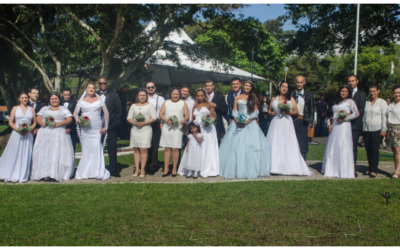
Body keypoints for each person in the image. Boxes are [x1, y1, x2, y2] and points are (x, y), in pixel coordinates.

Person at [220, 80, 272, 179]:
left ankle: (250, 169)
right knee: (236, 145)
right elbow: (234, 111)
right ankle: (236, 169)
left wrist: (246, 122)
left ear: (251, 87)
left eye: (249, 86)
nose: (247, 87)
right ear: (243, 86)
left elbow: (255, 112)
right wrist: (237, 121)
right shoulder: (238, 97)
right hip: (237, 123)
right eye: (246, 85)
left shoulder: (254, 98)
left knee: (250, 146)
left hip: (250, 123)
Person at [267, 82, 313, 176]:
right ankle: (274, 166)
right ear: (279, 88)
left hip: (287, 122)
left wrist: (287, 112)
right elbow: (269, 109)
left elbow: (296, 111)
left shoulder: (291, 99)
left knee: (287, 142)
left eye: (286, 87)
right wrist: (270, 113)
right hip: (276, 123)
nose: (285, 89)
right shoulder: (274, 98)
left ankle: (287, 166)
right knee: (275, 142)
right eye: (283, 87)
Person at [31, 93, 75, 182]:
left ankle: (57, 173)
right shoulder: (44, 108)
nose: (54, 100)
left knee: (57, 152)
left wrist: (59, 124)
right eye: (52, 99)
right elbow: (38, 117)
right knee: (45, 152)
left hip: (59, 133)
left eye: (56, 99)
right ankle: (44, 173)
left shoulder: (63, 109)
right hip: (45, 134)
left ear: (59, 100)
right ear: (49, 100)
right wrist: (42, 123)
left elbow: (70, 119)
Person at [74, 82, 110, 180]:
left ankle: (97, 170)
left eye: (93, 88)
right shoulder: (81, 101)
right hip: (86, 129)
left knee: (96, 147)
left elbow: (106, 113)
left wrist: (105, 126)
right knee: (87, 148)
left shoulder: (100, 100)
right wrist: (79, 121)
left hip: (97, 128)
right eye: (89, 88)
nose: (91, 89)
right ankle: (85, 171)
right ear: (85, 89)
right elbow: (75, 113)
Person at [322, 85, 360, 179]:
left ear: (348, 93)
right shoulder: (335, 102)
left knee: (343, 145)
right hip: (334, 126)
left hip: (344, 126)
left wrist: (345, 118)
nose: (343, 93)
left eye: (346, 91)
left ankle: (343, 170)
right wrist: (329, 124)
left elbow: (356, 113)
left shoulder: (350, 102)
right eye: (342, 91)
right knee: (333, 145)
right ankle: (332, 169)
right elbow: (330, 115)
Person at [0, 92, 36, 183]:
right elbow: (10, 122)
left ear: (28, 99)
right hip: (17, 133)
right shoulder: (15, 108)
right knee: (14, 152)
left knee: (25, 153)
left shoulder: (31, 109)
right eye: (22, 98)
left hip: (28, 134)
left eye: (26, 98)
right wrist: (18, 130)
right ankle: (11, 173)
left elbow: (34, 122)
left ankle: (23, 174)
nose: (24, 99)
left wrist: (29, 129)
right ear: (19, 99)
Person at [183, 89, 219, 178]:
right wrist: (190, 128)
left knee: (206, 147)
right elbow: (192, 119)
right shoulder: (194, 106)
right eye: (198, 96)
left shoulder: (208, 105)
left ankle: (207, 168)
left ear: (205, 96)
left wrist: (208, 121)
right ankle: (194, 167)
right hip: (197, 129)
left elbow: (214, 116)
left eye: (201, 96)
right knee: (196, 147)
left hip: (207, 128)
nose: (199, 97)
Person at [159, 87, 189, 177]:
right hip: (167, 128)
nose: (175, 96)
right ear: (170, 94)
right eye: (173, 94)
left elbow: (187, 115)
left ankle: (174, 168)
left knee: (175, 148)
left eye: (177, 94)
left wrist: (184, 119)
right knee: (167, 148)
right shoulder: (166, 102)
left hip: (178, 128)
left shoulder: (183, 103)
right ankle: (166, 168)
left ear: (179, 94)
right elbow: (160, 114)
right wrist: (167, 120)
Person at [127, 89, 157, 178]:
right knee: (136, 149)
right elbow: (129, 118)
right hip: (135, 129)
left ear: (146, 96)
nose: (142, 97)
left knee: (144, 149)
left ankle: (143, 169)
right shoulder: (133, 106)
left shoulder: (150, 106)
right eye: (140, 95)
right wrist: (135, 123)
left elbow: (154, 117)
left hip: (146, 129)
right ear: (137, 96)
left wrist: (144, 123)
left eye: (144, 95)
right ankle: (137, 168)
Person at [96, 78, 122, 177]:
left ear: (107, 84)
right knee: (97, 148)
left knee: (112, 148)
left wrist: (115, 124)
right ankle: (98, 168)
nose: (103, 84)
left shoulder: (114, 96)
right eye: (101, 83)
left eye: (104, 83)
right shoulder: (94, 95)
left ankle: (114, 169)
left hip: (110, 127)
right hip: (97, 128)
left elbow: (118, 111)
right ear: (98, 84)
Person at [362, 84, 388, 178]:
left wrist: (384, 129)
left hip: (377, 130)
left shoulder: (382, 102)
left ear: (378, 91)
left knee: (374, 150)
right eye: (370, 91)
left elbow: (384, 116)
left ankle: (374, 170)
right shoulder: (366, 102)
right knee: (368, 150)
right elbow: (363, 117)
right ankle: (370, 168)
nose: (372, 93)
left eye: (374, 91)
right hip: (366, 129)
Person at [291, 76, 315, 160]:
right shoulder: (291, 94)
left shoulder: (309, 95)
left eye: (301, 82)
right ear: (295, 82)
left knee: (303, 143)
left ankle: (302, 161)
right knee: (293, 141)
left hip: (304, 121)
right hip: (293, 120)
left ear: (304, 83)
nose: (299, 84)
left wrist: (310, 124)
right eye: (297, 82)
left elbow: (312, 110)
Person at [347, 75, 366, 177]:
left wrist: (350, 117)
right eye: (349, 81)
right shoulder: (346, 93)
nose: (351, 83)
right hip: (344, 125)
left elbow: (361, 109)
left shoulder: (361, 94)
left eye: (353, 81)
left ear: (357, 81)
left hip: (355, 125)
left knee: (353, 147)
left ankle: (352, 168)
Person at [146, 82, 165, 174]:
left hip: (156, 123)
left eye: (152, 87)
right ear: (146, 88)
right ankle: (146, 164)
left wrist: (162, 122)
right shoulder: (143, 97)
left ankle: (152, 166)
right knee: (145, 145)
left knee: (154, 145)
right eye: (148, 87)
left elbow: (163, 111)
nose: (150, 89)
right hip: (145, 124)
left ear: (155, 88)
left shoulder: (160, 98)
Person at [204, 80, 228, 144]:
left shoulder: (220, 97)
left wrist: (216, 106)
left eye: (210, 86)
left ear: (213, 86)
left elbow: (224, 110)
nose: (208, 87)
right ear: (205, 87)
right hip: (204, 124)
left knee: (216, 144)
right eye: (207, 86)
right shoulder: (202, 96)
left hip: (216, 124)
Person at [385, 85, 400, 179]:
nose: (397, 94)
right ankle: (396, 169)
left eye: (399, 92)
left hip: (398, 128)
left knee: (398, 150)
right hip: (390, 128)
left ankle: (397, 172)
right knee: (394, 150)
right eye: (395, 92)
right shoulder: (391, 103)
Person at [61, 88, 78, 153]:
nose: (67, 96)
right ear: (62, 94)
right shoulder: (59, 102)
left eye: (68, 95)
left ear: (71, 94)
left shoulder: (75, 103)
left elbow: (76, 116)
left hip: (72, 129)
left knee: (71, 148)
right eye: (65, 95)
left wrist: (71, 128)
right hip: (61, 128)